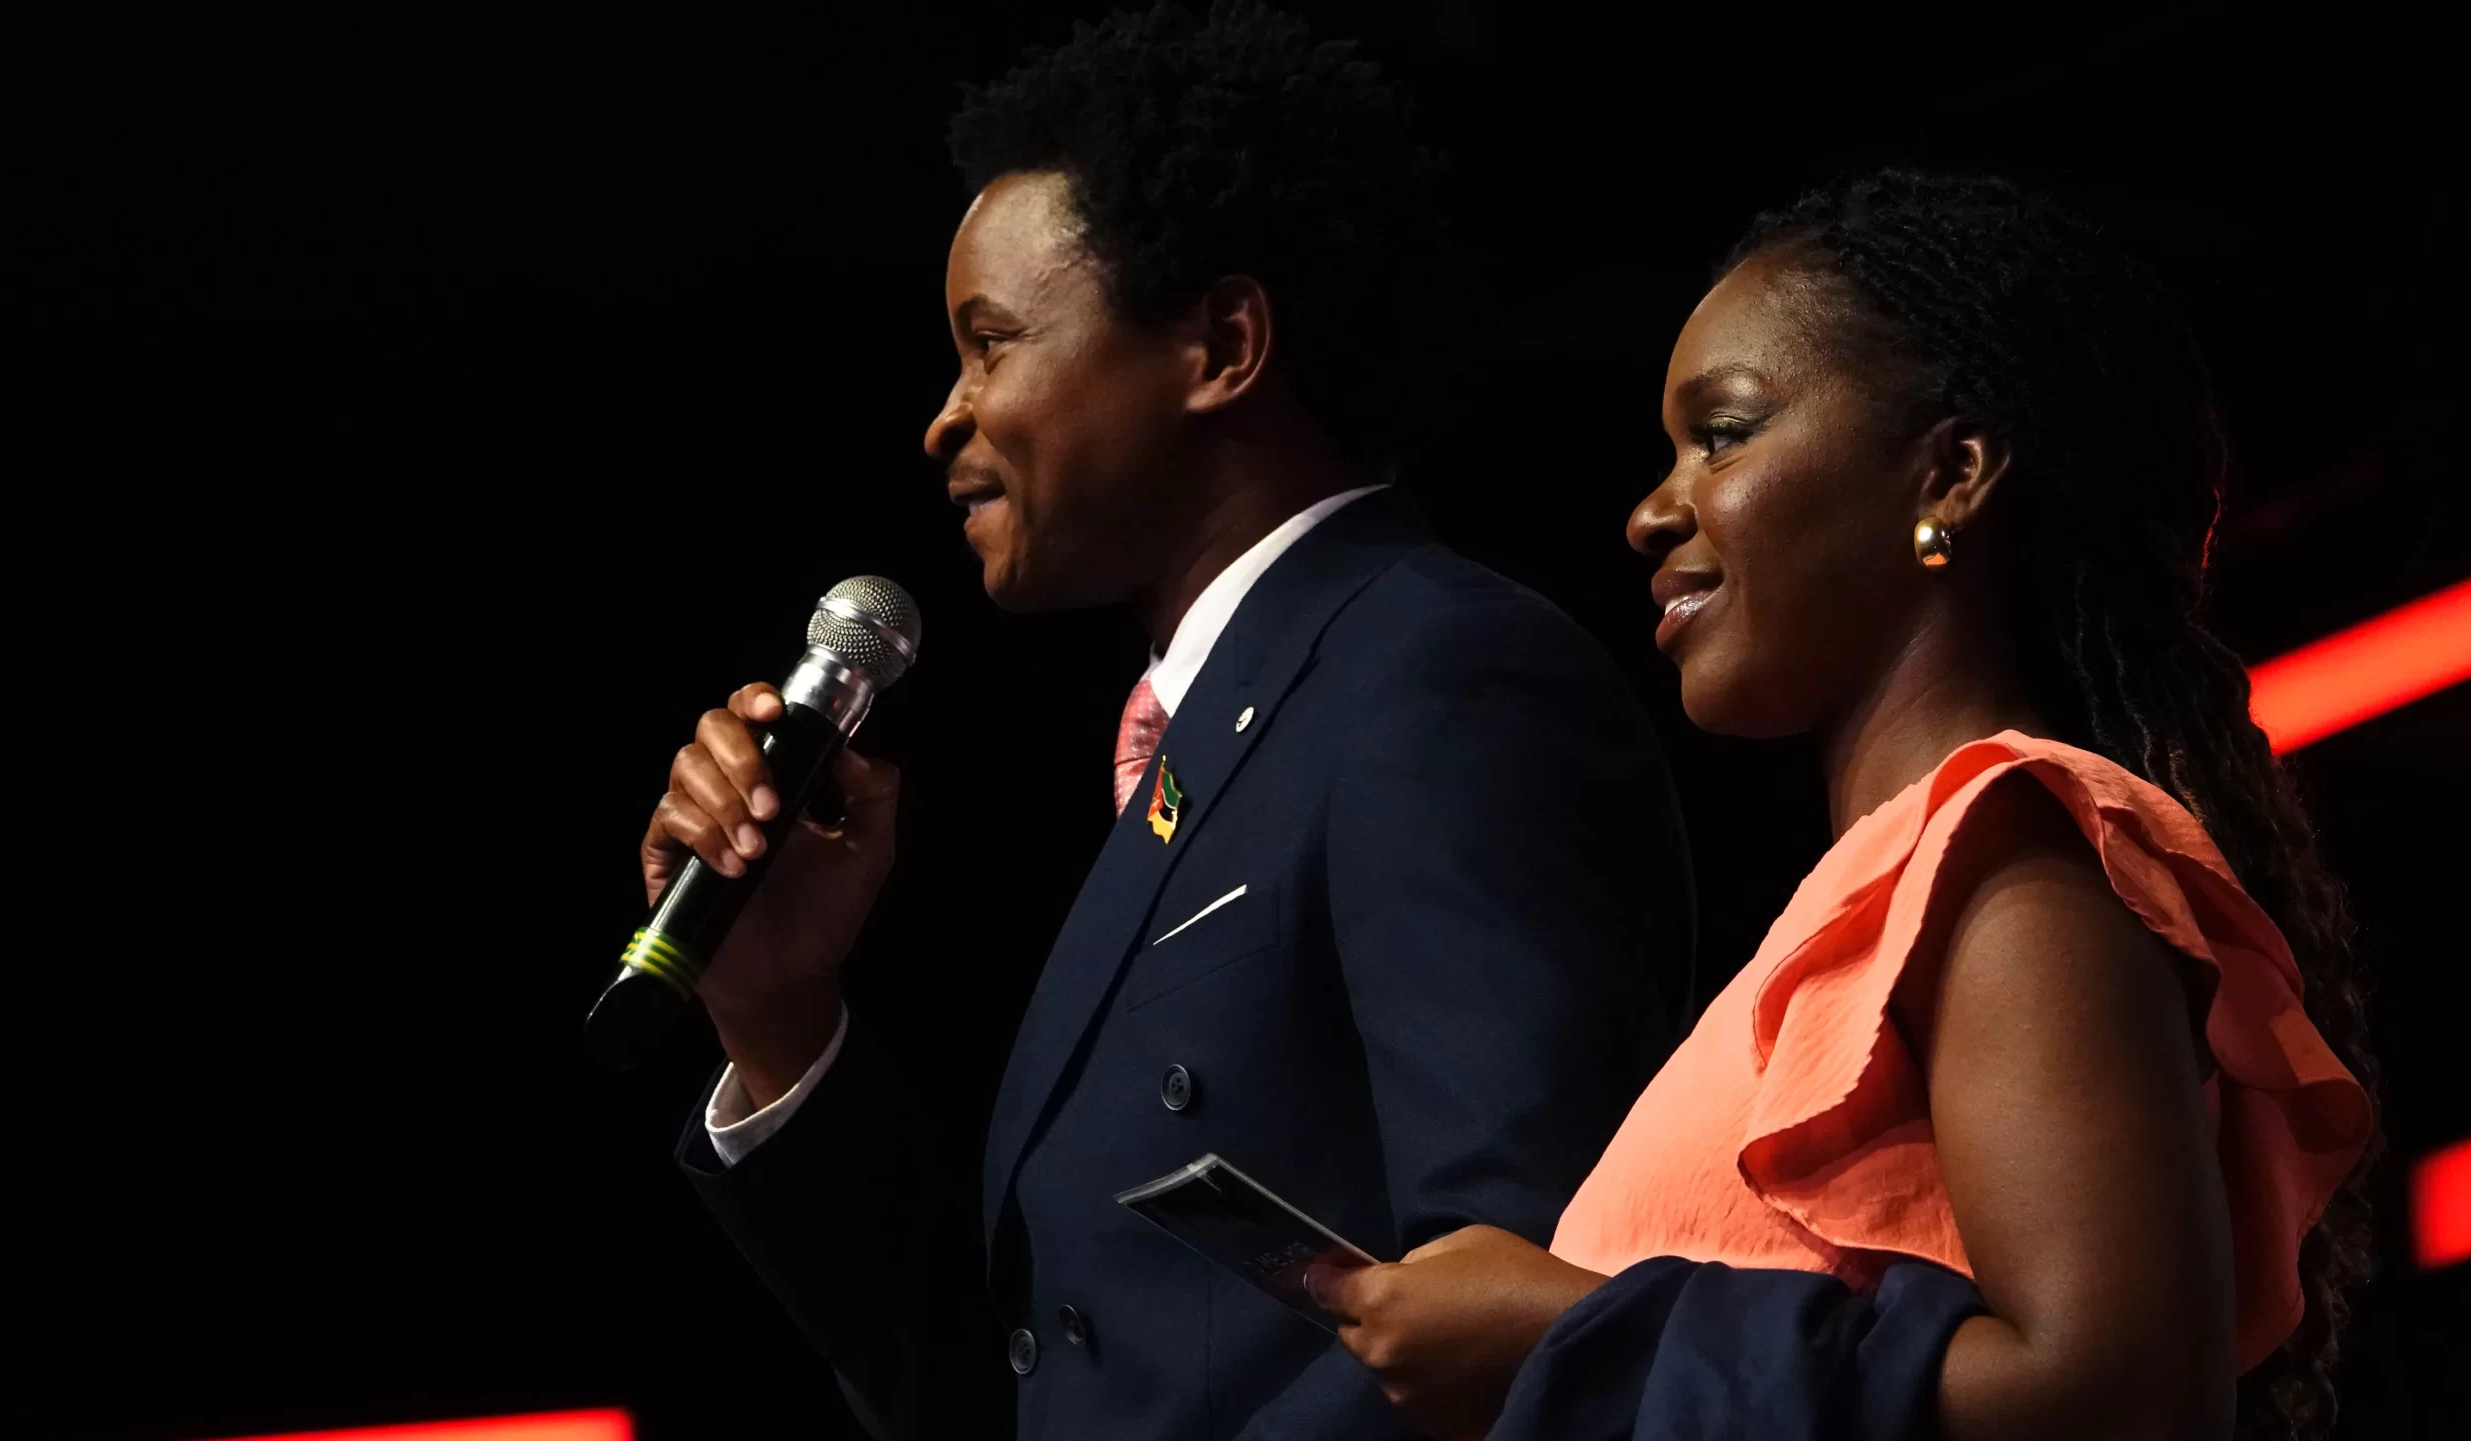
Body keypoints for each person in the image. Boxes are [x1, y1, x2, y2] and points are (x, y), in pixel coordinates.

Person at [644, 6, 1692, 1438]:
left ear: (1222, 345)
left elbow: (1522, 1322)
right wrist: (775, 1016)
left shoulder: (1441, 676)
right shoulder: (1207, 730)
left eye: (991, 344)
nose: (946, 418)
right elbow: (1014, 1393)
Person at [1310, 171, 2377, 1441]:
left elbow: (2120, 1401)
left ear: (1951, 475)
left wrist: (1571, 1334)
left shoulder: (2008, 861)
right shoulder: (1881, 900)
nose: (1650, 512)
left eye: (1723, 434)